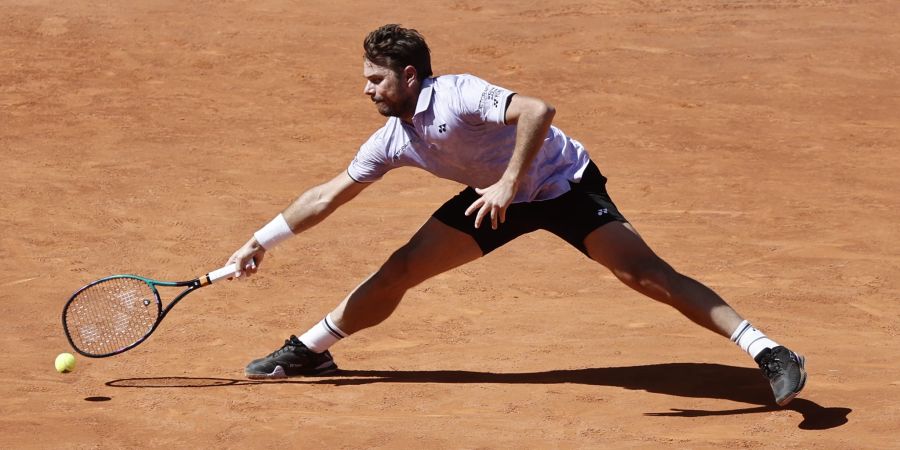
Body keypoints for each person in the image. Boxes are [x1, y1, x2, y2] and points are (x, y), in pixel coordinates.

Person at [227, 24, 806, 406]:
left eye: (374, 80)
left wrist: (508, 182)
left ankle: (769, 351)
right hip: (495, 200)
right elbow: (328, 194)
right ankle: (310, 351)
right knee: (402, 268)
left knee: (644, 274)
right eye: (364, 80)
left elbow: (537, 109)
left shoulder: (456, 94)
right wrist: (260, 241)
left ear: (409, 77)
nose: (366, 91)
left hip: (561, 186)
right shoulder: (393, 138)